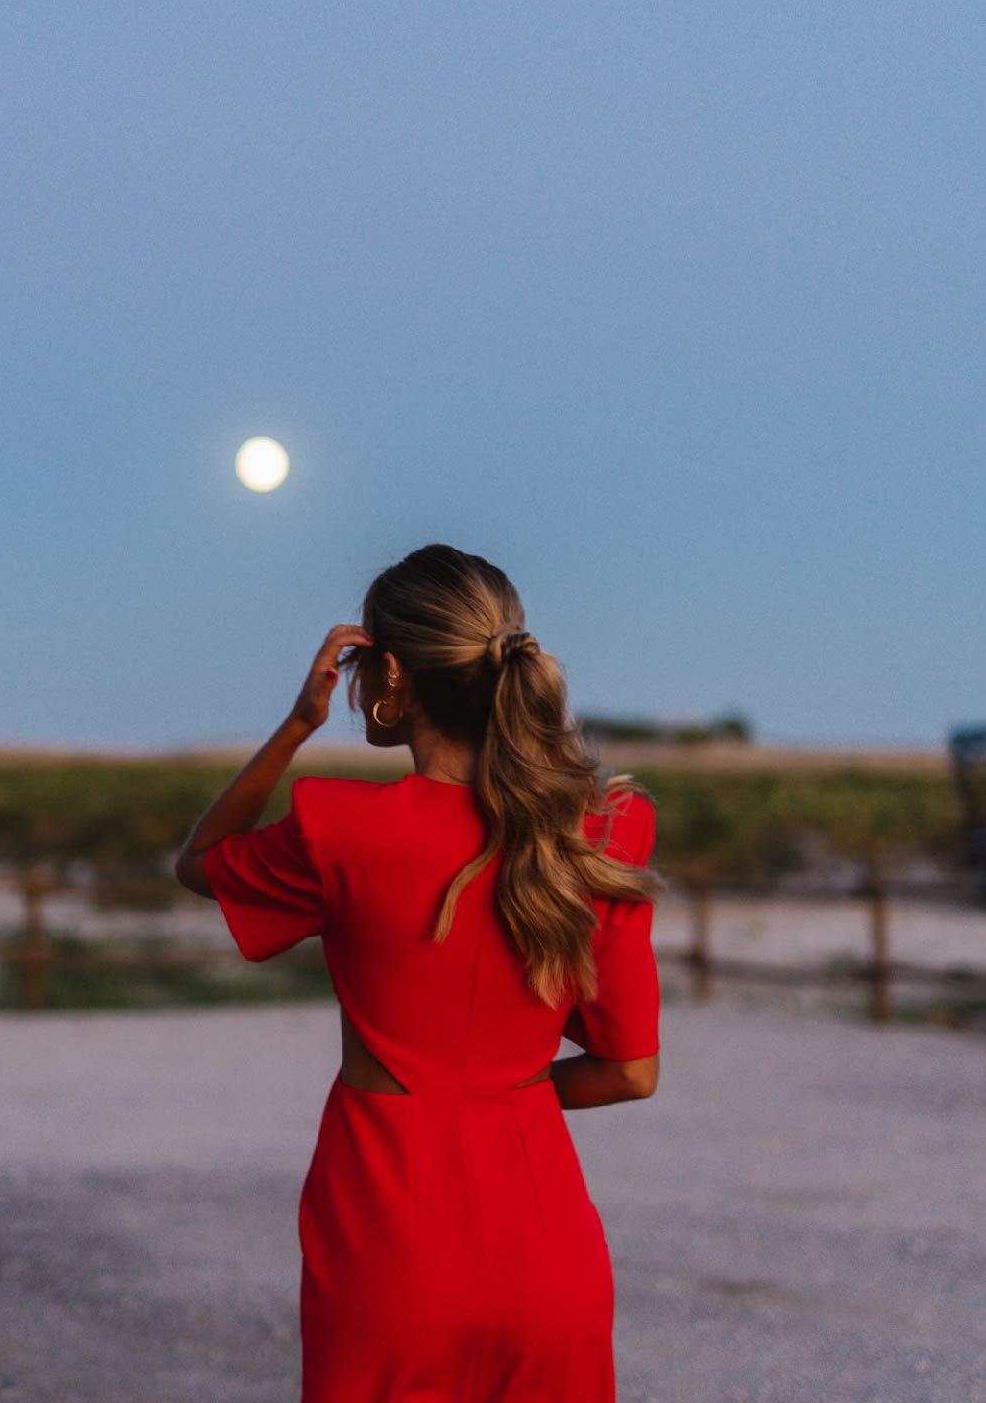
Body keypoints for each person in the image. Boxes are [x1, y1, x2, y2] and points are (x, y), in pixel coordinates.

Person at [176, 543, 664, 1402]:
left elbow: (201, 862)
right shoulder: (601, 833)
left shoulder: (335, 830)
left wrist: (298, 724)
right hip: (549, 1252)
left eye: (366, 670)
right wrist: (500, 1097)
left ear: (392, 675)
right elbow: (628, 1071)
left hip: (388, 1239)